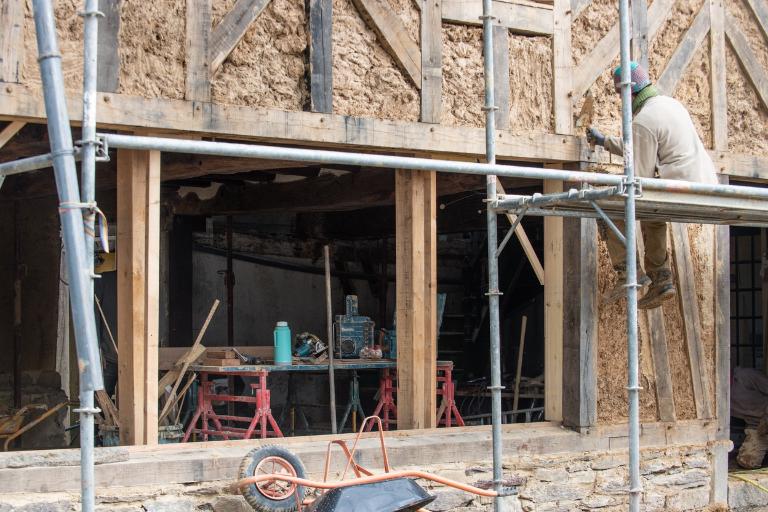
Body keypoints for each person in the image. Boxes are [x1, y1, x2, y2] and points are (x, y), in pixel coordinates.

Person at [587, 61, 718, 309]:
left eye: (619, 95)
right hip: (702, 184)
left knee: (606, 208)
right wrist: (605, 142)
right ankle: (661, 278)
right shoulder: (670, 105)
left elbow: (640, 176)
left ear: (628, 93)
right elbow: (639, 144)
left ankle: (629, 273)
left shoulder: (643, 121)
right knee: (653, 214)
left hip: (680, 187)